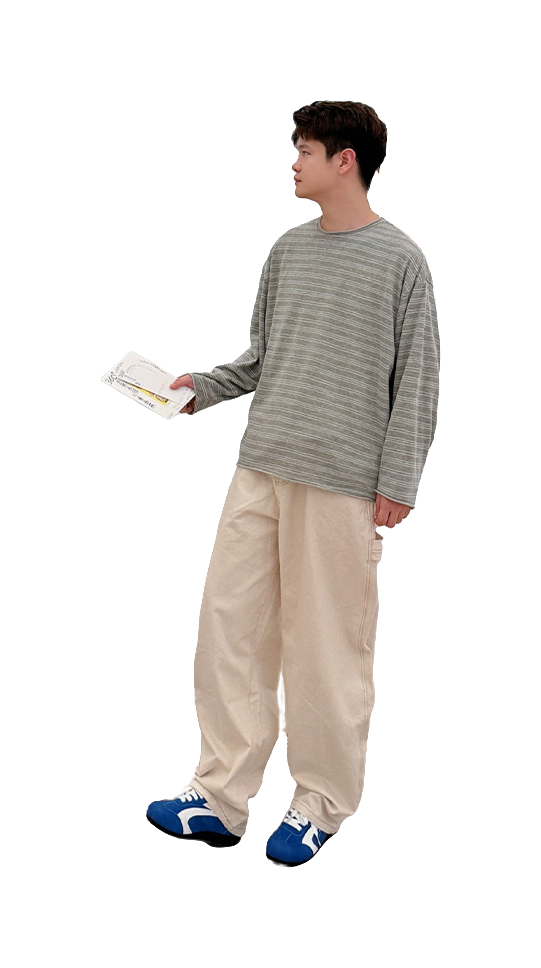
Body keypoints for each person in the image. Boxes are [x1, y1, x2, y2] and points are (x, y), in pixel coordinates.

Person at [146, 99, 440, 868]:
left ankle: (319, 803)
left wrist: (398, 476)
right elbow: (261, 357)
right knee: (229, 629)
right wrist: (200, 387)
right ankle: (219, 796)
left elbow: (416, 379)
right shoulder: (288, 251)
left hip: (340, 483)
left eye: (304, 150)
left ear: (345, 160)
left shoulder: (400, 262)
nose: (293, 162)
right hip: (262, 466)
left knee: (326, 649)